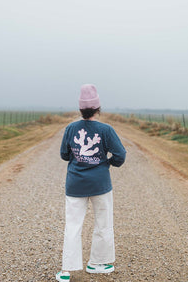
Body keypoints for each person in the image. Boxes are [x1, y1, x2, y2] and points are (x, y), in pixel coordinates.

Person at [56, 84, 126, 282]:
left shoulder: (71, 128)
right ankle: (98, 264)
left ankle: (66, 271)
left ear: (80, 109)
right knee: (103, 223)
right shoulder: (106, 130)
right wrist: (106, 164)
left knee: (73, 225)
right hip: (100, 185)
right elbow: (120, 154)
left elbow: (64, 154)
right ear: (98, 108)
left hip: (75, 185)